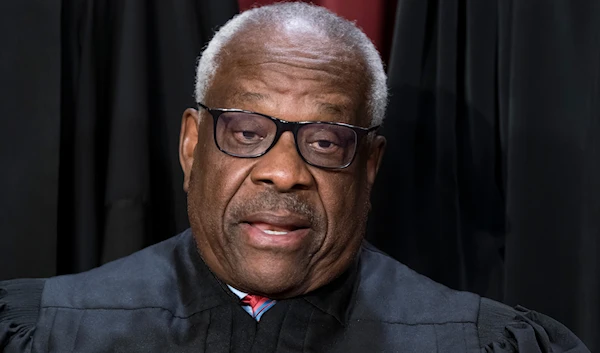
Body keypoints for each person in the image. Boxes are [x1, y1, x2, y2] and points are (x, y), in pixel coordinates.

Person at [0, 2, 590, 352]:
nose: (284, 173)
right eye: (246, 131)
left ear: (370, 166)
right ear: (190, 145)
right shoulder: (53, 332)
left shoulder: (472, 342)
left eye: (326, 141)